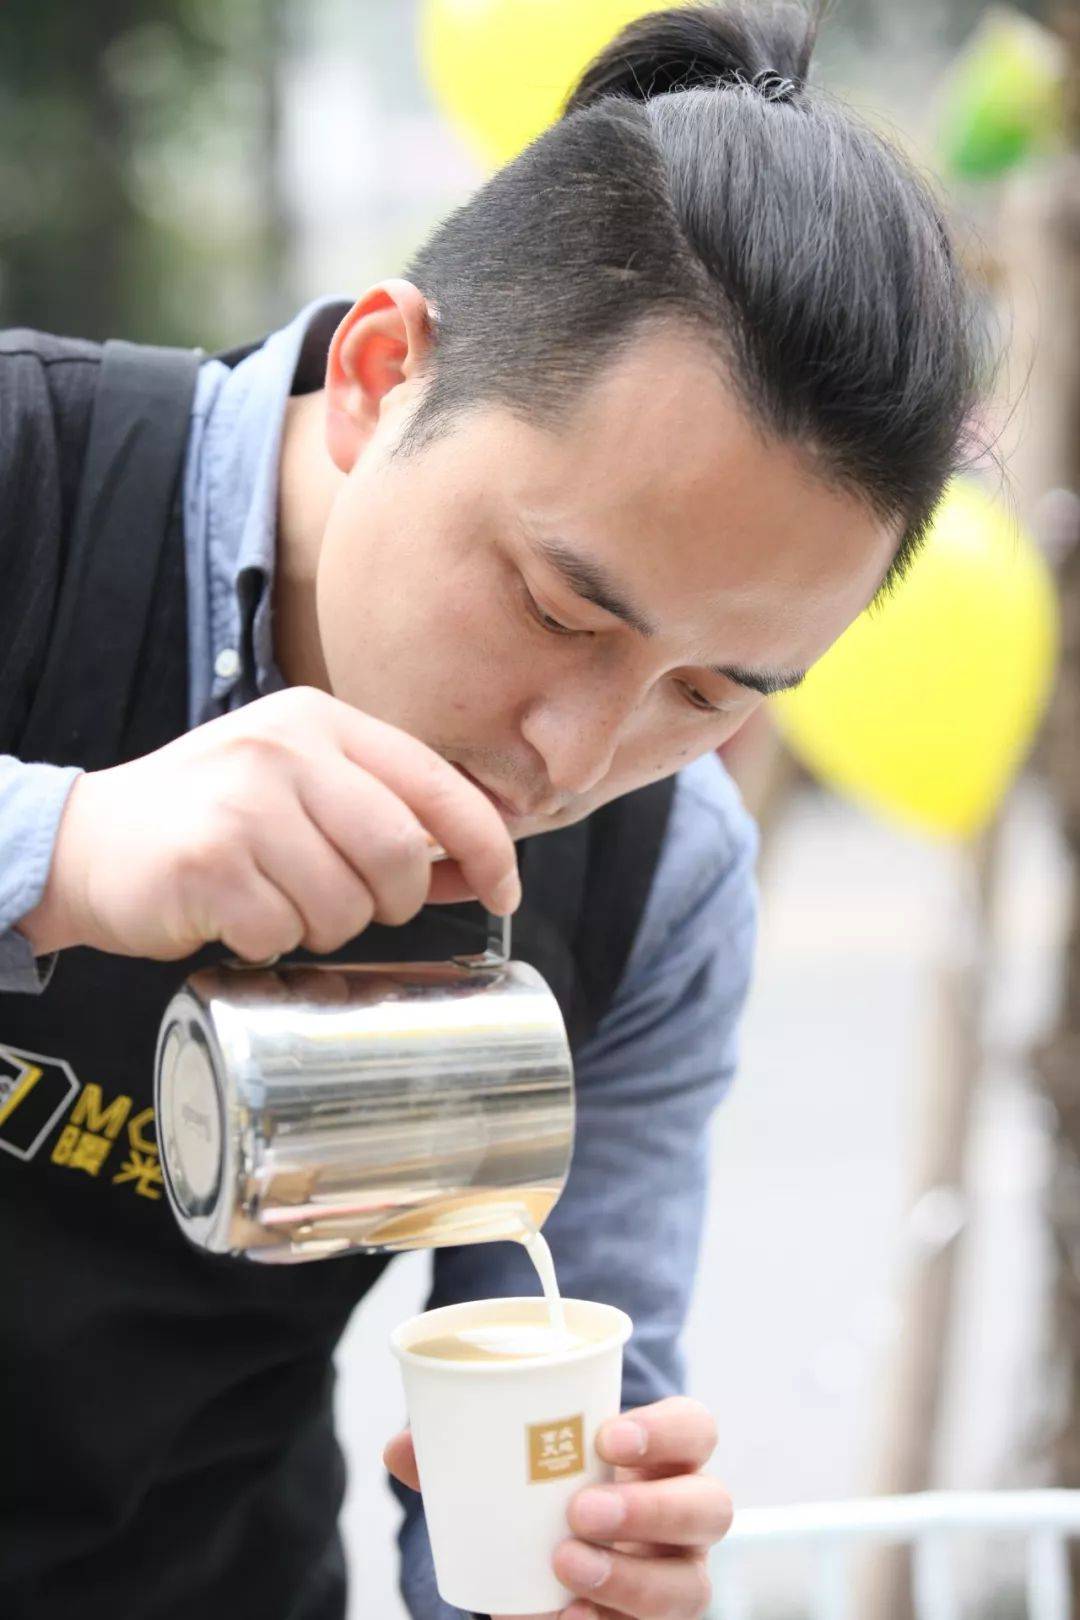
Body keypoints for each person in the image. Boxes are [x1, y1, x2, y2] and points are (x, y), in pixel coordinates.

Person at [0, 3, 983, 1618]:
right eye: (555, 608)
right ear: (385, 377)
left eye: (714, 690)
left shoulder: (664, 877)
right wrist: (67, 851)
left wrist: (586, 1563)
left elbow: (546, 1431)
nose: (572, 759)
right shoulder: (31, 480)